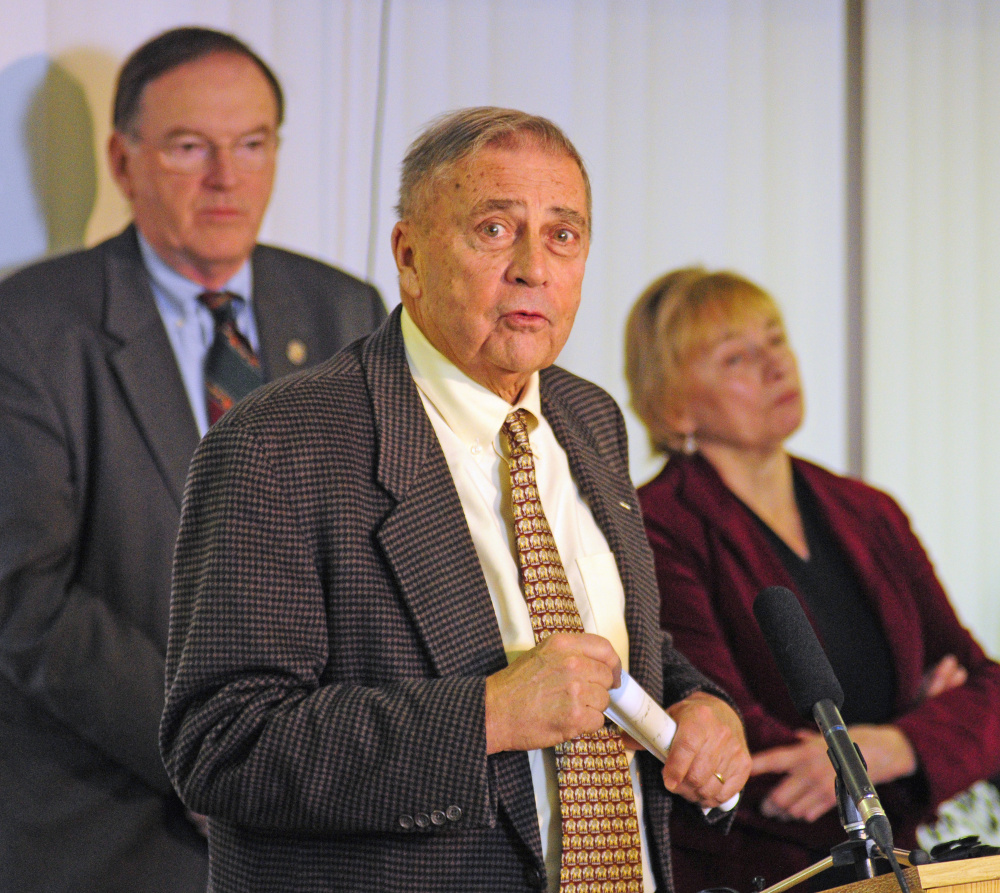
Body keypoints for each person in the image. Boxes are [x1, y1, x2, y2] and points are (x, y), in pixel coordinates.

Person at [160, 107, 752, 893]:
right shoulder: (282, 442)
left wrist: (697, 703)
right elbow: (224, 742)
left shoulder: (589, 417)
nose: (534, 268)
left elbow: (598, 642)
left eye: (563, 236)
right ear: (409, 255)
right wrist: (490, 715)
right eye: (495, 230)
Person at [0, 26, 385, 893]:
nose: (227, 176)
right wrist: (216, 753)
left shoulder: (345, 311)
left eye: (252, 144)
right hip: (118, 827)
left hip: (325, 827)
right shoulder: (29, 327)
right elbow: (26, 594)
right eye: (189, 147)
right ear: (123, 159)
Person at [624, 266, 1000, 893]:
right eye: (737, 357)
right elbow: (738, 737)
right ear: (673, 403)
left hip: (899, 865)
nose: (775, 365)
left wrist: (900, 745)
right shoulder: (657, 526)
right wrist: (929, 733)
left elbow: (987, 687)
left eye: (776, 339)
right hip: (758, 870)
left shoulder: (867, 510)